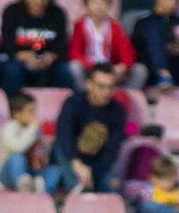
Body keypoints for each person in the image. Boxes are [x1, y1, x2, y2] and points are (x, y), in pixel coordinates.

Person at [53, 64, 127, 192]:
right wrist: (76, 163)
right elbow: (64, 135)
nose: (106, 92)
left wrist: (91, 172)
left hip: (96, 164)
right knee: (61, 147)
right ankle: (77, 188)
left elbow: (112, 150)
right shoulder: (73, 103)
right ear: (89, 84)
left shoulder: (117, 111)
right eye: (101, 86)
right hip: (69, 158)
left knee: (112, 184)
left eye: (110, 87)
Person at [0, 0, 75, 94]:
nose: (39, 1)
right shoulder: (12, 11)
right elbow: (7, 44)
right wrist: (23, 56)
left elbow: (61, 45)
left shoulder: (58, 14)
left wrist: (51, 57)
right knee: (11, 70)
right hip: (19, 61)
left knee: (64, 72)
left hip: (47, 63)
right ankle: (14, 108)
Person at [68, 0, 137, 87]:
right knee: (74, 67)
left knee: (139, 70)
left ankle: (122, 97)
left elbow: (127, 53)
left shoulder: (115, 27)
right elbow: (74, 54)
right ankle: (84, 95)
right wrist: (93, 67)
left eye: (103, 2)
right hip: (88, 69)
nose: (98, 7)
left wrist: (123, 66)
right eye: (94, 2)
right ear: (86, 5)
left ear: (109, 5)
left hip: (110, 70)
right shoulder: (80, 25)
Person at [0, 91, 61, 193]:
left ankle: (42, 192)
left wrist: (42, 155)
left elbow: (41, 150)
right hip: (8, 173)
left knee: (55, 170)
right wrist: (32, 129)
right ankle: (23, 186)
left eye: (34, 111)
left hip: (31, 170)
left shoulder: (35, 129)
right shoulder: (9, 128)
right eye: (30, 111)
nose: (34, 115)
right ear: (16, 113)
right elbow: (17, 148)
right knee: (17, 159)